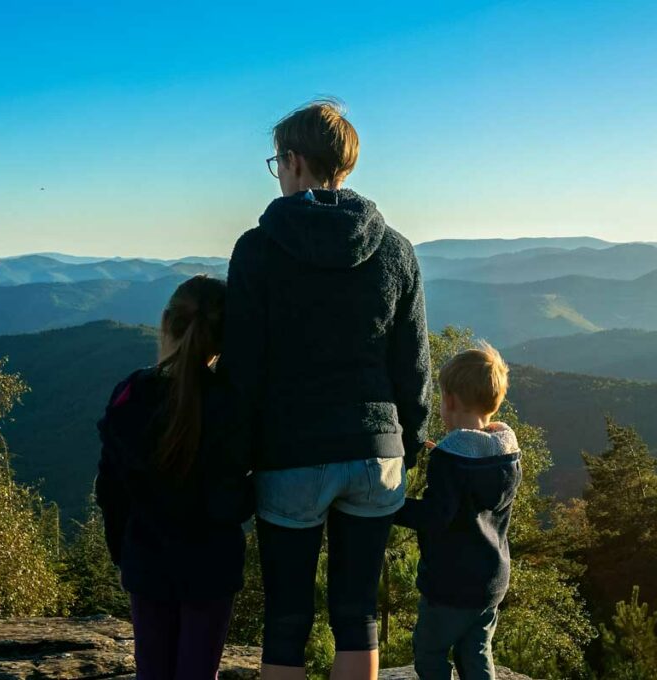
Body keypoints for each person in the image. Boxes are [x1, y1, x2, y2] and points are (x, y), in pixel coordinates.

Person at [222, 100, 431, 679]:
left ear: (294, 161)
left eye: (277, 161)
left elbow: (242, 368)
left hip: (290, 453)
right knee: (357, 613)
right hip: (375, 452)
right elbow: (413, 369)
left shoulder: (259, 248)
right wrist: (405, 447)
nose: (279, 172)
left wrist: (234, 460)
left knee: (287, 616)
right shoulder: (396, 250)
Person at [95, 275, 251, 680]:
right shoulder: (232, 403)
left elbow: (110, 491)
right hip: (211, 567)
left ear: (166, 322)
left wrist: (122, 554)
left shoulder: (131, 393)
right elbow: (233, 499)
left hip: (147, 561)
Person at [395, 343, 522, 680]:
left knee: (430, 652)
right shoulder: (507, 455)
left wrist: (391, 507)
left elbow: (436, 517)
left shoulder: (450, 462)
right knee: (476, 652)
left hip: (450, 583)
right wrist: (448, 462)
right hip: (491, 581)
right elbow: (474, 494)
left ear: (449, 401)